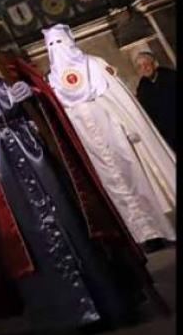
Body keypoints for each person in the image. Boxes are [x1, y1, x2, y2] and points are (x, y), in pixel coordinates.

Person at [0, 15, 155, 334]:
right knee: (30, 234)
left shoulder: (2, 63)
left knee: (67, 218)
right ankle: (69, 314)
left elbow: (43, 98)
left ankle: (107, 300)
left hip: (33, 149)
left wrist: (31, 93)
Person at [43, 25, 175, 246]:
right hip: (88, 143)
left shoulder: (94, 64)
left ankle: (159, 230)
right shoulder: (52, 80)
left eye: (60, 43)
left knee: (136, 181)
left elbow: (118, 99)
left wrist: (127, 126)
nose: (58, 49)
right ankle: (138, 237)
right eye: (52, 45)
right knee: (113, 189)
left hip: (114, 134)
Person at [135, 51, 177, 150]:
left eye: (146, 64)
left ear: (154, 64)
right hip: (166, 135)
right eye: (140, 66)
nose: (144, 68)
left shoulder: (171, 77)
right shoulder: (142, 88)